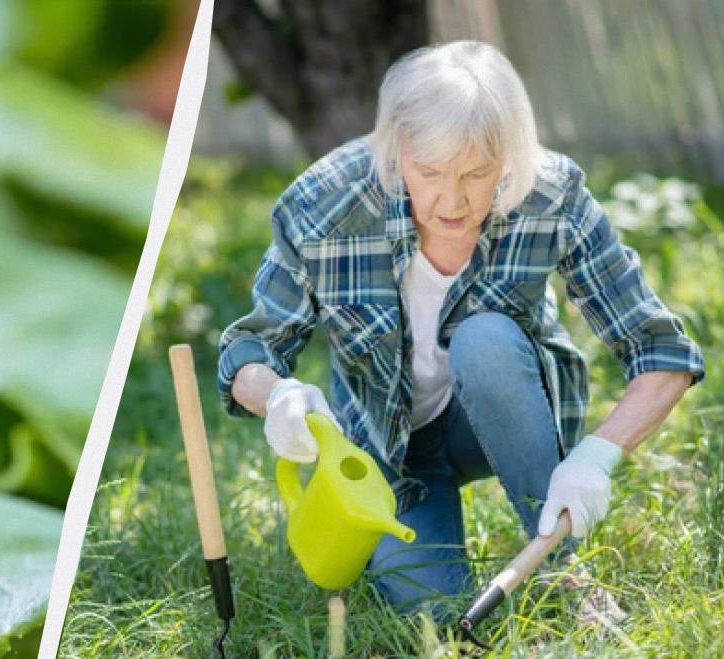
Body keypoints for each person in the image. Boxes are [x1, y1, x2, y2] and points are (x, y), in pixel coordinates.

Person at [216, 41, 704, 618]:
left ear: (511, 155)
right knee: (434, 612)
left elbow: (663, 352)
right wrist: (277, 396)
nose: (452, 199)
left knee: (487, 339)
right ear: (398, 147)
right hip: (389, 451)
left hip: (503, 413)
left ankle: (563, 572)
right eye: (430, 172)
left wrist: (597, 455)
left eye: (477, 173)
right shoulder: (325, 206)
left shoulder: (551, 197)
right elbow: (249, 348)